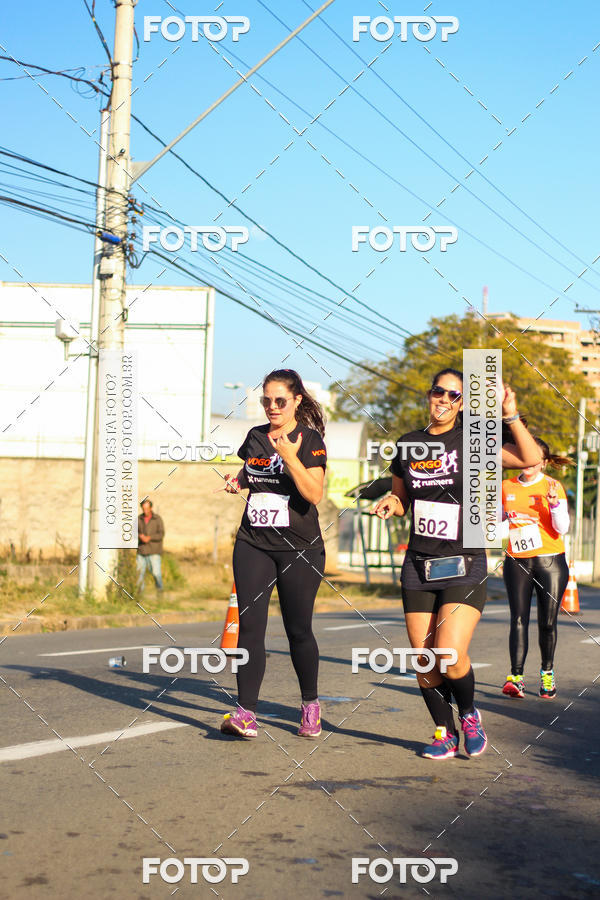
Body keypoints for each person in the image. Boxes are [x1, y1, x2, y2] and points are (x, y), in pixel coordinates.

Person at [372, 368, 542, 760]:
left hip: (464, 560)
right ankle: (443, 731)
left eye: (454, 395)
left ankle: (468, 714)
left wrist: (510, 412)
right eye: (438, 392)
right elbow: (402, 500)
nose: (444, 399)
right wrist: (390, 504)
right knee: (425, 658)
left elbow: (528, 458)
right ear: (429, 395)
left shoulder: (474, 440)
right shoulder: (409, 444)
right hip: (419, 562)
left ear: (463, 402)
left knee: (448, 653)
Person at [219, 369, 327, 739]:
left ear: (297, 400)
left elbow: (314, 495)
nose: (272, 407)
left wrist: (291, 458)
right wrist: (238, 481)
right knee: (250, 626)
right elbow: (252, 471)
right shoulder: (254, 437)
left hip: (299, 549)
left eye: (280, 400)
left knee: (298, 630)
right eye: (266, 400)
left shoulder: (309, 440)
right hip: (254, 542)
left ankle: (310, 704)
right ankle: (246, 711)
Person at [501, 438, 572, 700]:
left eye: (534, 460)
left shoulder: (553, 486)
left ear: (542, 463)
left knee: (547, 622)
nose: (529, 463)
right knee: (518, 619)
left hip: (550, 561)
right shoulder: (506, 485)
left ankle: (547, 673)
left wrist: (553, 504)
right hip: (517, 560)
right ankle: (516, 678)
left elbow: (562, 528)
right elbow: (492, 519)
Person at [136, 499, 165, 592]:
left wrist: (149, 538)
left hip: (154, 551)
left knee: (156, 573)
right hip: (142, 551)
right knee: (139, 575)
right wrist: (139, 536)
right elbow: (132, 532)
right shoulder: (138, 519)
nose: (145, 511)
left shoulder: (157, 519)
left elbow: (161, 534)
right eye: (143, 509)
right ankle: (139, 596)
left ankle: (160, 592)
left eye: (147, 509)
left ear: (151, 508)